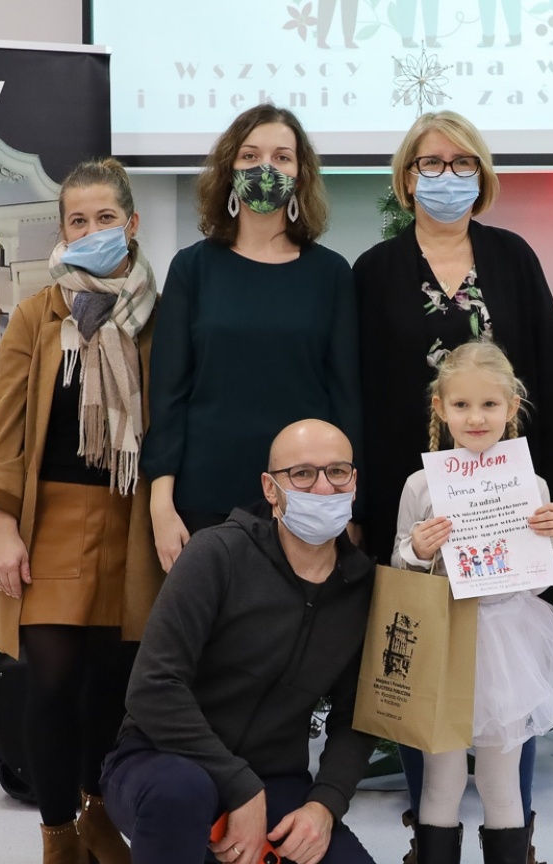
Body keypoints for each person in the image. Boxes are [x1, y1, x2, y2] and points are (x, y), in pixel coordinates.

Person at [102, 419, 395, 864]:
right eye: (302, 474)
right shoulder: (218, 555)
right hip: (159, 762)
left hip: (274, 776)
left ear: (354, 481)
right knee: (184, 794)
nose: (323, 485)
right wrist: (237, 787)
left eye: (337, 471)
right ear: (271, 487)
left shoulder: (362, 587)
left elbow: (356, 716)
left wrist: (324, 805)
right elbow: (152, 688)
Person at [353, 110, 553, 864]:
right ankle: (429, 837)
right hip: (414, 518)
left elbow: (550, 377)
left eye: (461, 161)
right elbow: (362, 393)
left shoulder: (512, 259)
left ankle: (518, 854)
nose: (445, 174)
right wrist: (370, 516)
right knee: (427, 682)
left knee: (509, 686)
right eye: (428, 162)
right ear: (405, 177)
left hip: (513, 522)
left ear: (480, 174)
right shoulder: (375, 269)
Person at [0, 159, 164, 864]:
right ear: (64, 230)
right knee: (51, 680)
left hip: (131, 517)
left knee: (112, 688)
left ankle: (96, 813)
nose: (89, 232)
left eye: (102, 218)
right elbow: (7, 429)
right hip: (48, 516)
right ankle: (57, 839)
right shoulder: (36, 316)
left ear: (132, 224)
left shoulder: (160, 315)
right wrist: (2, 521)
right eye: (76, 221)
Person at [390, 342, 553, 864]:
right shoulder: (422, 484)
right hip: (448, 638)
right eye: (461, 404)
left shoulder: (529, 483)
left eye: (488, 403)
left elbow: (544, 574)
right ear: (440, 408)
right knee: (441, 784)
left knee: (503, 783)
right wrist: (418, 550)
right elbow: (403, 568)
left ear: (511, 408)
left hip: (507, 638)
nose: (475, 416)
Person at [145, 104, 361, 569]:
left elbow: (346, 399)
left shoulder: (332, 274)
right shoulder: (192, 268)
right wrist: (161, 505)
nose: (266, 168)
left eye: (282, 157)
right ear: (229, 169)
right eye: (250, 155)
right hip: (204, 499)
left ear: (301, 174)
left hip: (305, 500)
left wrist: (347, 507)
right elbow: (167, 396)